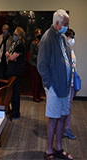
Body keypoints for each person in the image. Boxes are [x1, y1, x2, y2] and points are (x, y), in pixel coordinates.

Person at [37, 9, 73, 160]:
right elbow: (42, 65)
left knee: (62, 117)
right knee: (53, 118)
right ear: (57, 23)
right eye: (65, 24)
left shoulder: (62, 38)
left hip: (64, 86)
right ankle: (49, 150)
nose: (66, 26)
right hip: (54, 88)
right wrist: (49, 85)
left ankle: (58, 147)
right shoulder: (47, 38)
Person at [5, 26, 26, 119]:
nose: (14, 36)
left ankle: (15, 112)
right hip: (12, 70)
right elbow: (9, 55)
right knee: (12, 92)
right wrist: (9, 56)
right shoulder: (15, 44)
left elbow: (11, 57)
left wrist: (9, 56)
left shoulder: (20, 45)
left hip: (16, 72)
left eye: (16, 34)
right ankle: (12, 110)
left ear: (20, 36)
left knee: (15, 93)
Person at [64, 28, 77, 140]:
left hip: (71, 83)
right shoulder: (63, 50)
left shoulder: (71, 50)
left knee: (69, 107)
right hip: (65, 84)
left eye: (73, 37)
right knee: (64, 107)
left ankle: (66, 128)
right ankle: (64, 129)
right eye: (70, 37)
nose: (72, 39)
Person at [29, 28, 43, 102]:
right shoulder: (33, 43)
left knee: (39, 82)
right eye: (37, 33)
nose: (39, 35)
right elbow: (32, 55)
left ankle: (38, 95)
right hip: (34, 65)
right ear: (35, 34)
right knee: (35, 81)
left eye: (40, 33)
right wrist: (40, 56)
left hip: (40, 65)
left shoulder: (41, 42)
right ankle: (35, 96)